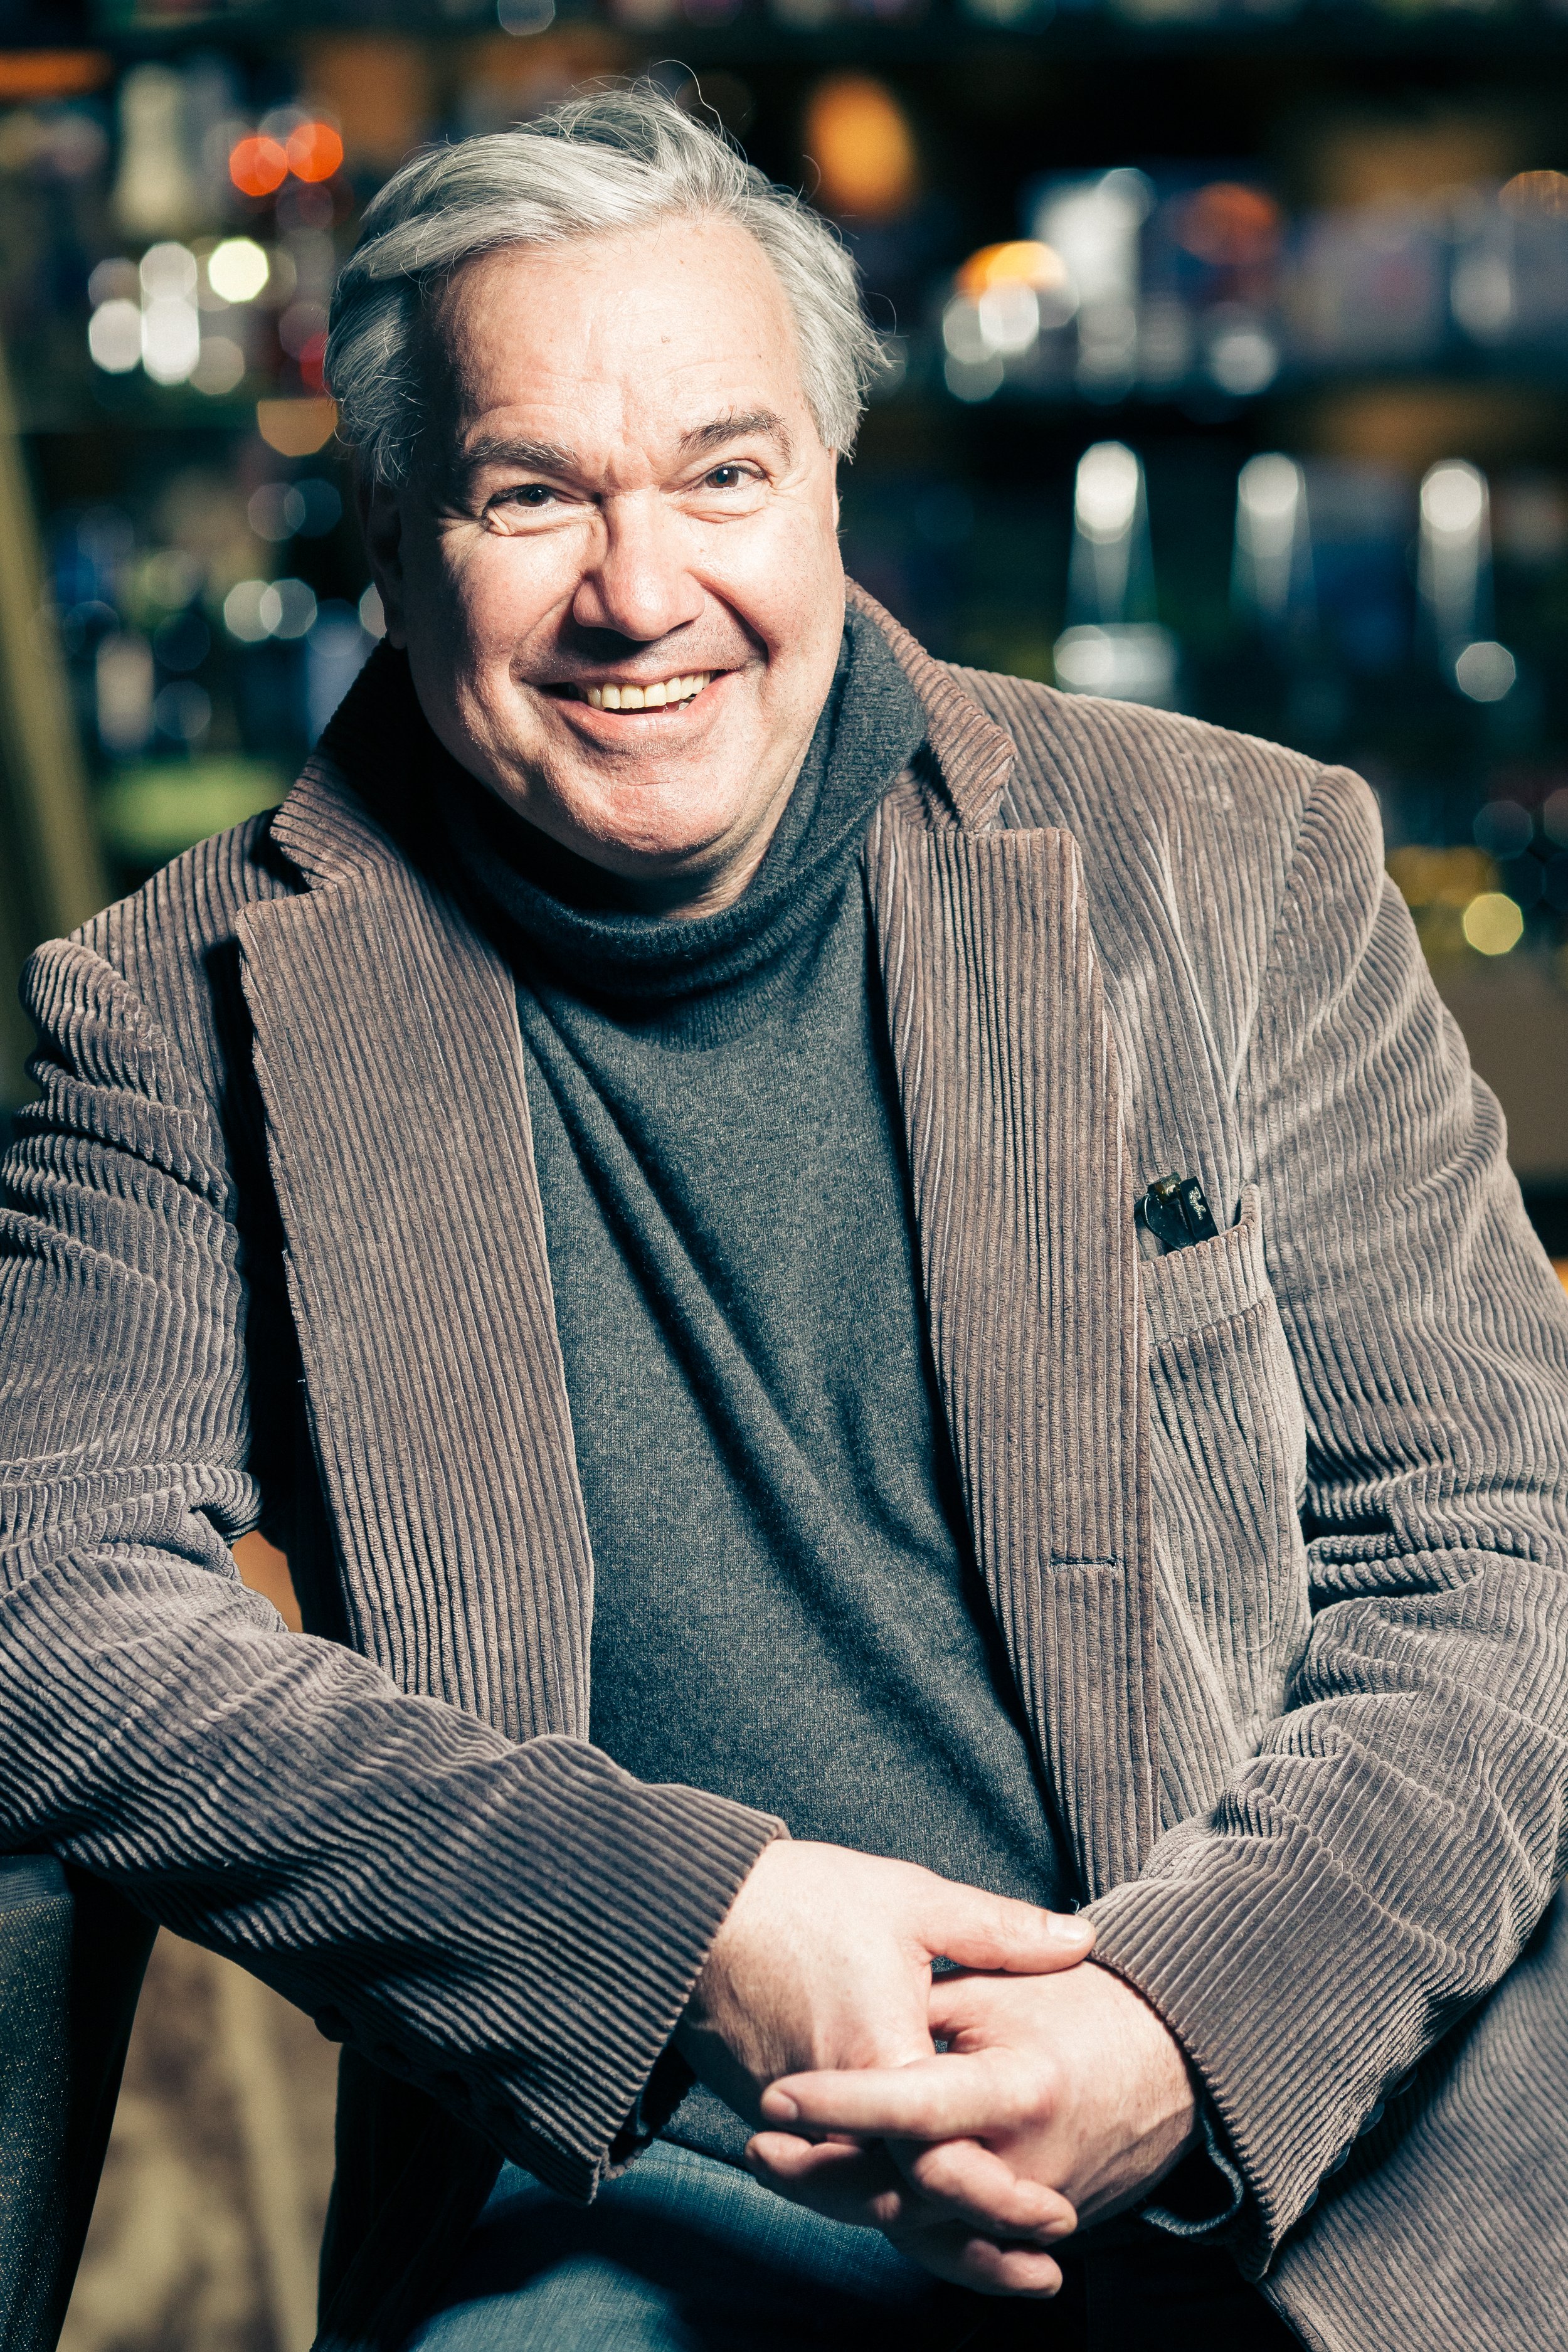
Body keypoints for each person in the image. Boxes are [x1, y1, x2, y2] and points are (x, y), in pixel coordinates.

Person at [3, 85, 1567, 2352]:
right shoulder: (179, 1001)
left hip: (1304, 2168)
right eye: (532, 494)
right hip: (637, 2195)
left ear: (828, 485)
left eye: (722, 475)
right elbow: (40, 1608)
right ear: (389, 534)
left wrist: (1174, 2027)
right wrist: (685, 1929)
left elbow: (1505, 1545)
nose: (642, 594)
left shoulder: (1234, 865)